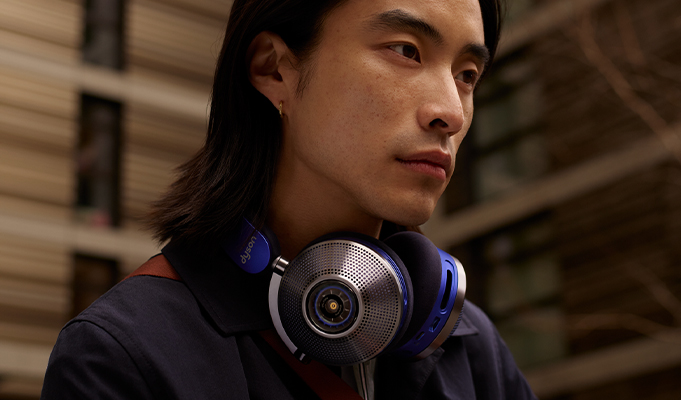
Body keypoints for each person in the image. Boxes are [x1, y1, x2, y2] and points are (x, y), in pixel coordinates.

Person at [41, 0, 537, 399]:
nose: (451, 111)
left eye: (467, 74)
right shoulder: (123, 354)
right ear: (275, 69)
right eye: (406, 51)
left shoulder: (472, 349)